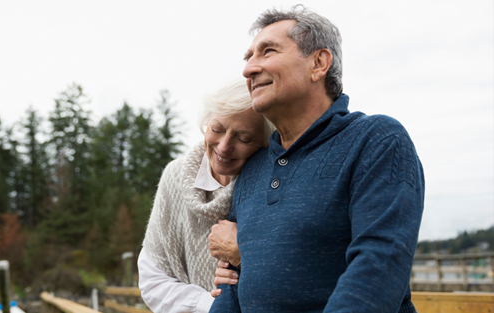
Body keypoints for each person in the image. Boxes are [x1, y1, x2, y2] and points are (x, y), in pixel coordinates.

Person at [209, 6, 425, 313]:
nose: (248, 69)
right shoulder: (254, 168)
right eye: (248, 58)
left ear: (319, 63)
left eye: (267, 51)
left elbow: (379, 265)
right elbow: (229, 285)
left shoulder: (376, 139)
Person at [138, 77, 275, 313]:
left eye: (242, 138)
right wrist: (213, 305)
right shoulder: (175, 176)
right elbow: (153, 278)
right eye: (217, 129)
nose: (223, 147)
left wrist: (245, 254)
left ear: (265, 143)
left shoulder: (273, 184)